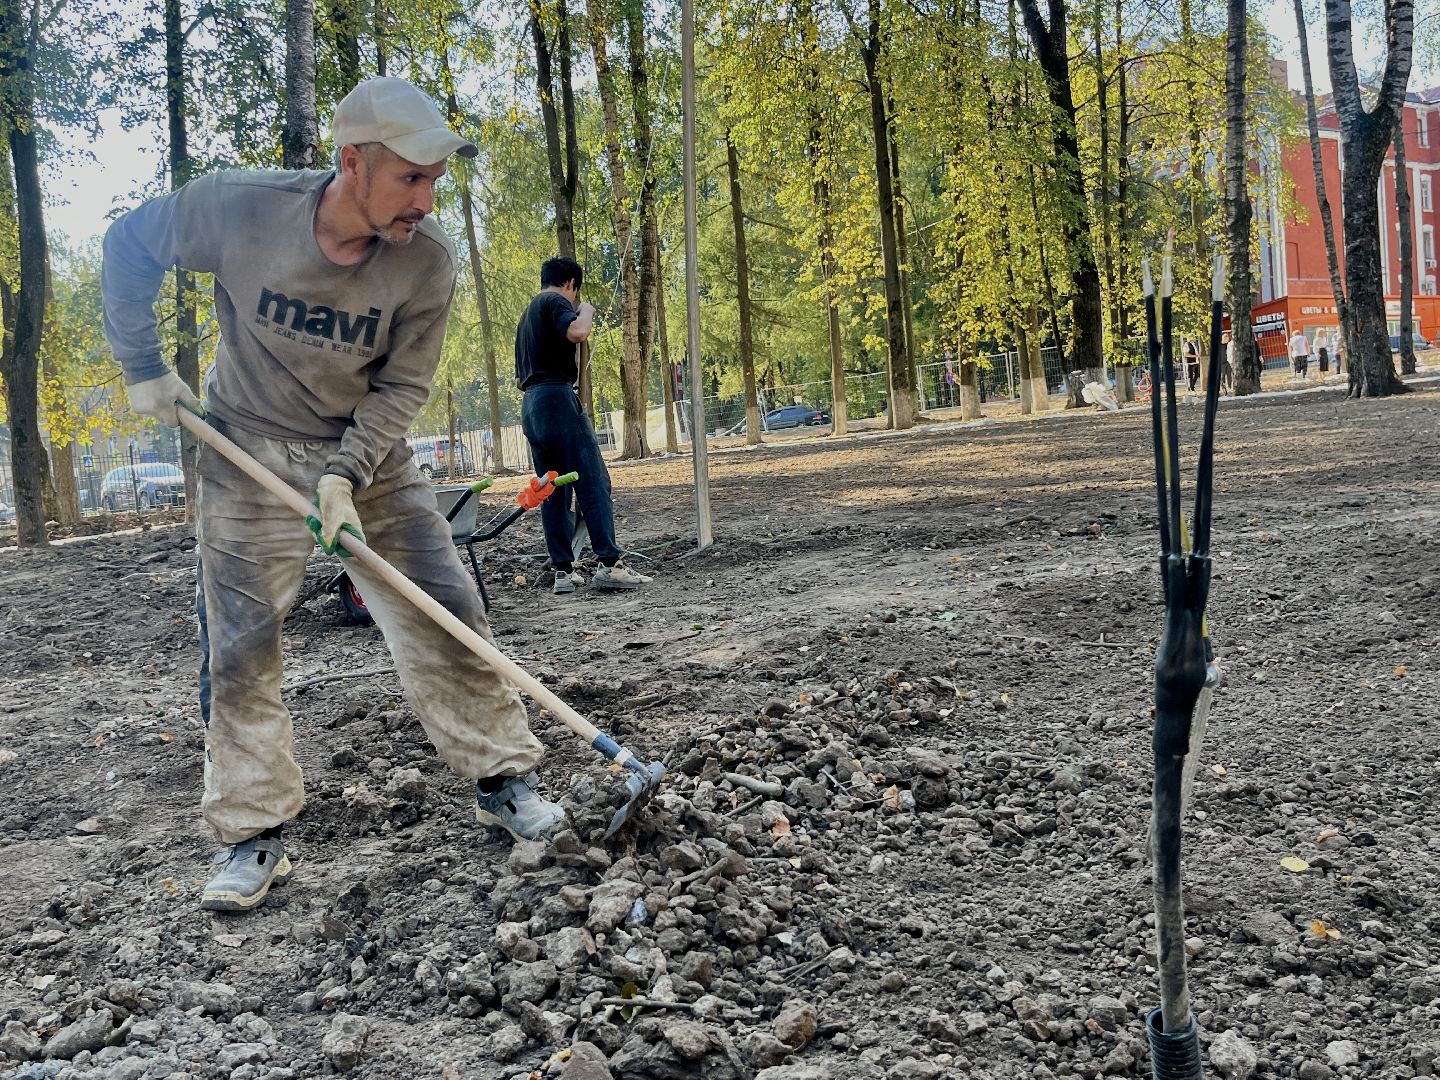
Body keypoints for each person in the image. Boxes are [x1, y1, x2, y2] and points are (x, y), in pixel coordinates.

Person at [101, 78, 566, 913]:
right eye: (410, 179)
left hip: (368, 457)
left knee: (444, 604)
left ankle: (503, 782)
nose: (425, 200)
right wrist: (143, 366)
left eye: (433, 182)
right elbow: (130, 244)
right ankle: (253, 835)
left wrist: (345, 473)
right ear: (352, 162)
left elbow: (401, 390)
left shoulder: (425, 264)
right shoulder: (241, 208)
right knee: (239, 643)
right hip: (244, 445)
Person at [515, 257, 652, 596]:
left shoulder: (527, 314)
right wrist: (586, 311)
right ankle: (610, 564)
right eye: (576, 294)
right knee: (593, 481)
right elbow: (577, 331)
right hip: (557, 400)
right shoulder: (556, 301)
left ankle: (563, 572)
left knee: (552, 489)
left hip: (531, 406)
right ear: (571, 284)